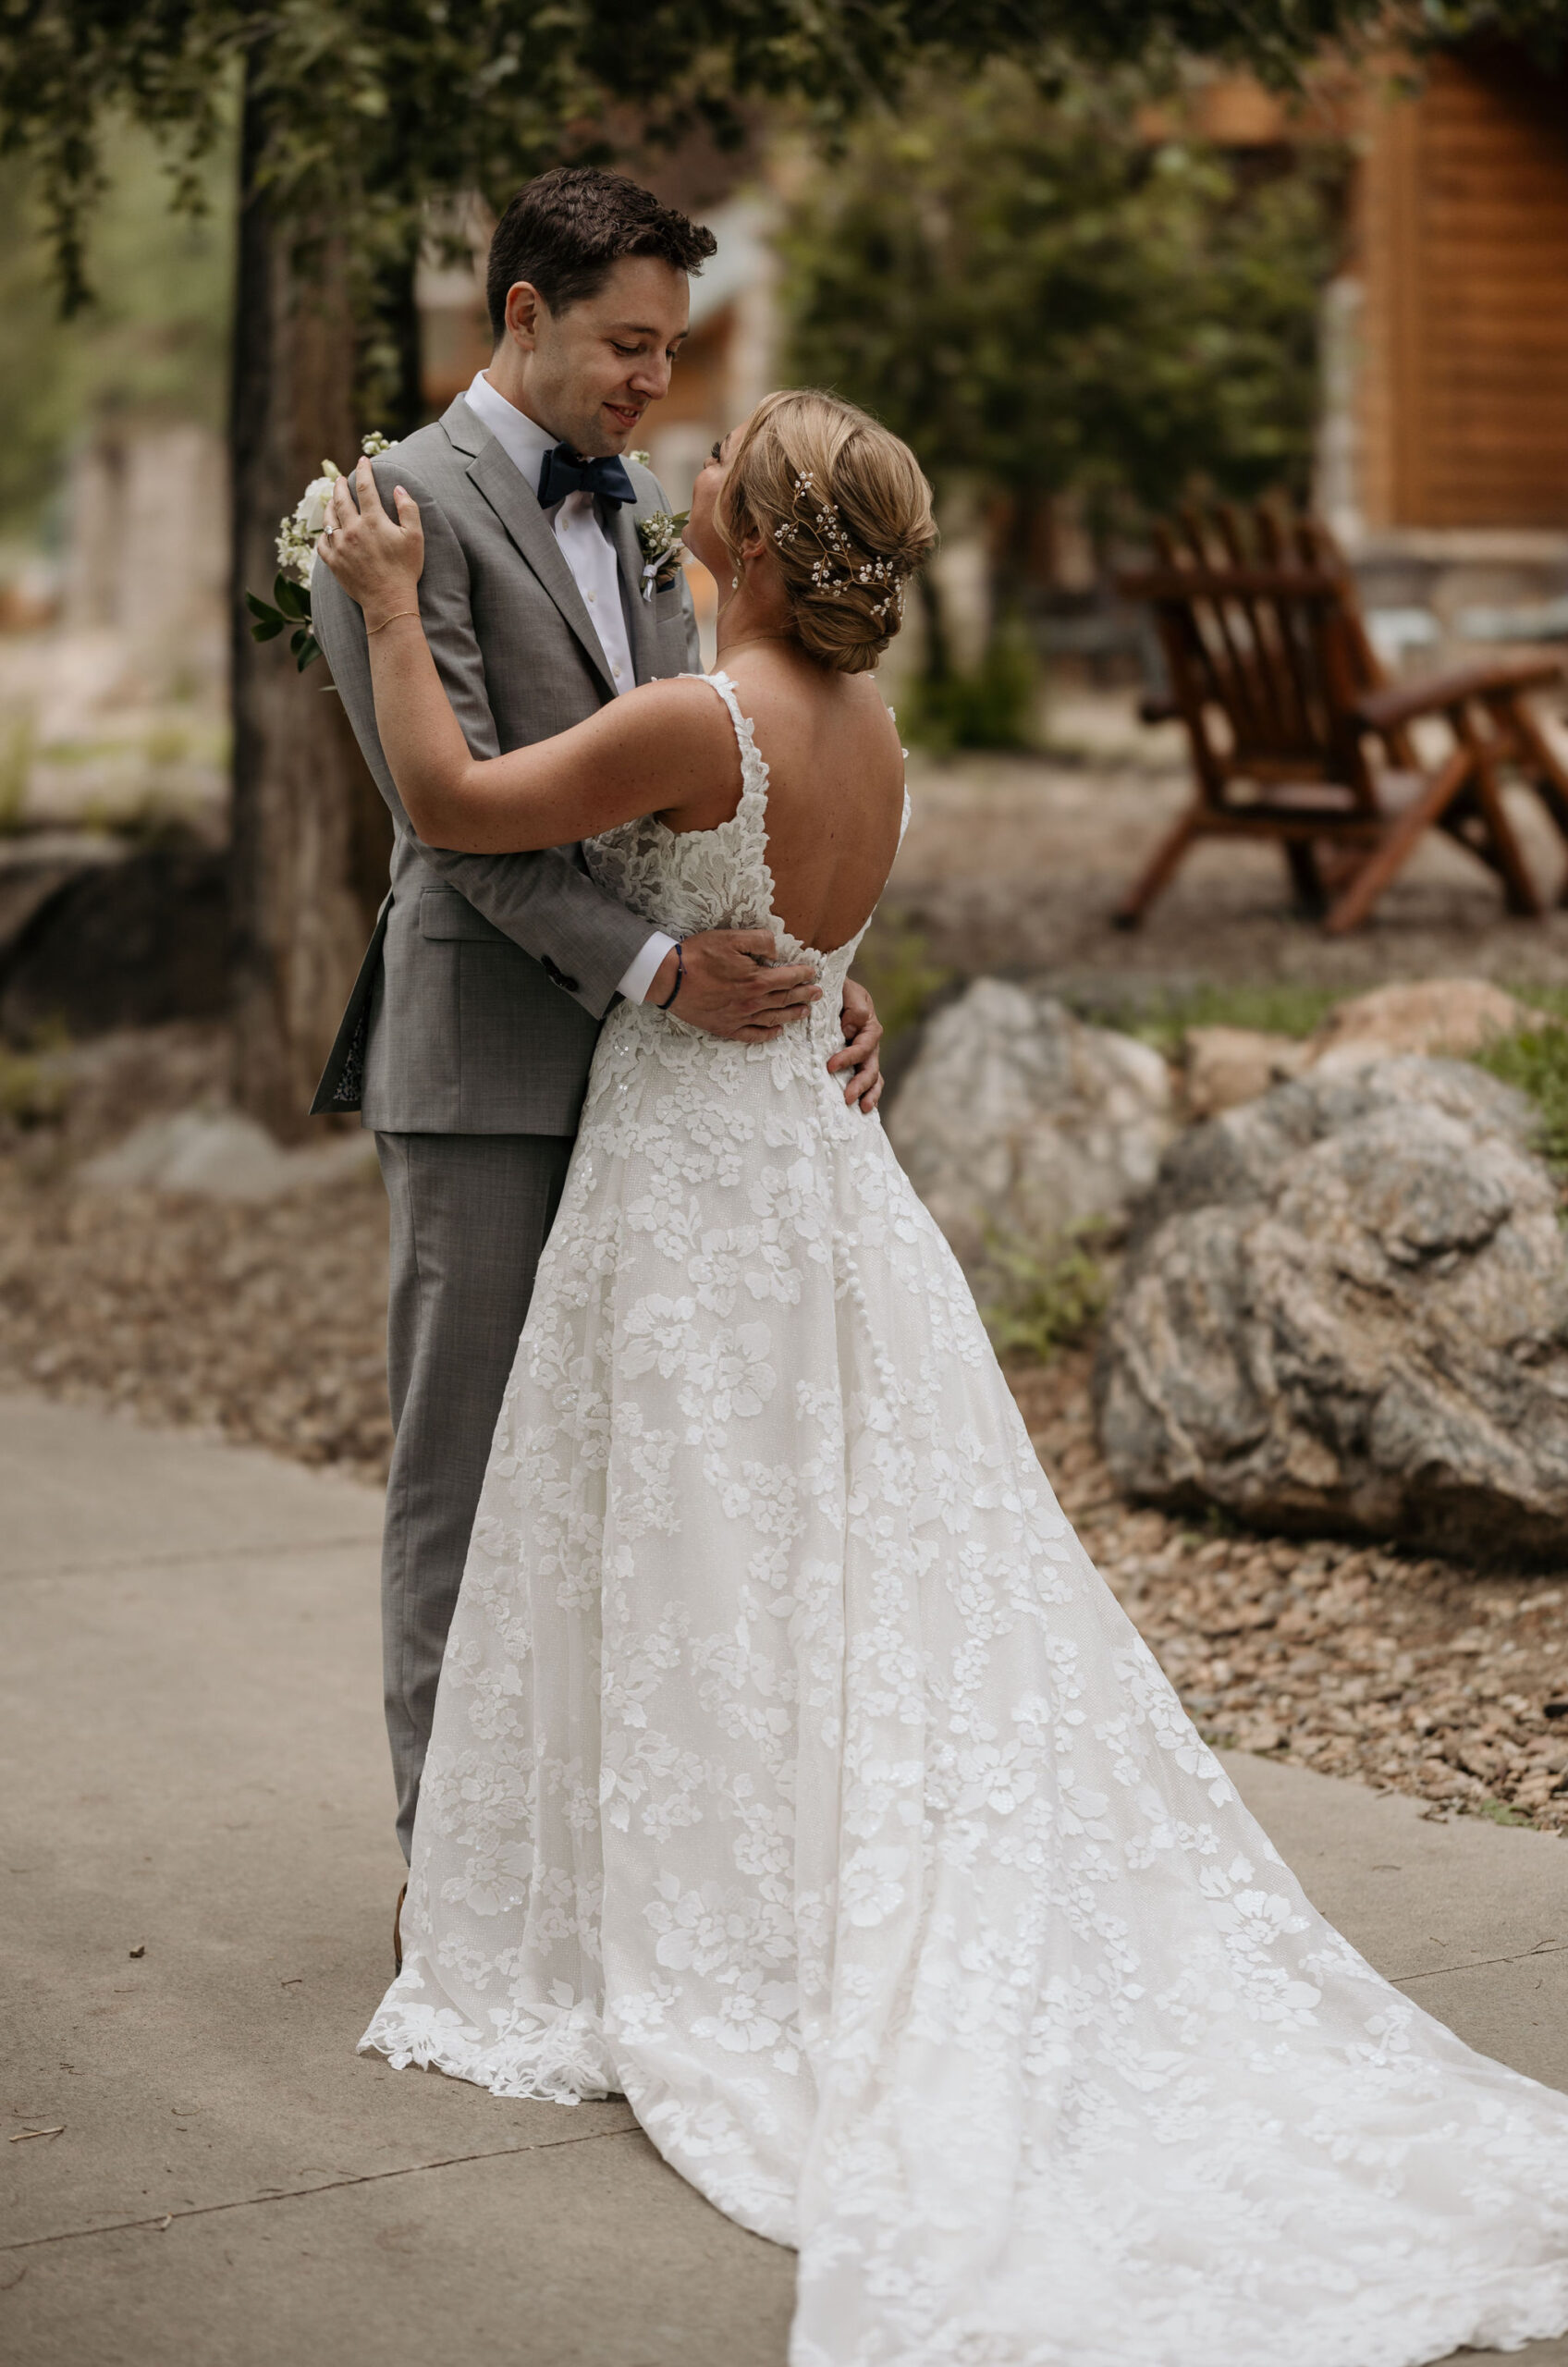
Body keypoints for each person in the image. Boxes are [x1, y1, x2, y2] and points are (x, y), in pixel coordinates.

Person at [318, 389, 1568, 2367]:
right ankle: (788, 1868)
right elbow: (806, 935)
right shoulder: (871, 735)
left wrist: (390, 602)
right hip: (815, 1174)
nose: (692, 463)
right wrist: (829, 988)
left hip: (688, 1172)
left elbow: (456, 804)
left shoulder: (693, 722)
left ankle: (718, 1920)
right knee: (832, 1551)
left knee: (697, 1540)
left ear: (740, 532)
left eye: (719, 457)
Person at [309, 169, 884, 1874]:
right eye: (628, 344)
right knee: (467, 1487)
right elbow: (451, 821)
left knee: (633, 1485)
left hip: (675, 1095)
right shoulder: (386, 517)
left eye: (673, 348)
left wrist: (822, 988)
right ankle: (456, 1876)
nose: (654, 382)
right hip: (491, 1066)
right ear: (524, 316)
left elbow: (723, 787)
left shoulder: (640, 501)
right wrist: (656, 973)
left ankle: (602, 1872)